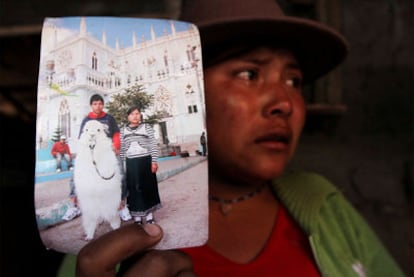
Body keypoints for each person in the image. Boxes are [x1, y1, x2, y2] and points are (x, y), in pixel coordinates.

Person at [72, 0, 404, 276]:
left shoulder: (324, 203)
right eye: (249, 74)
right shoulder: (109, 241)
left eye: (294, 81)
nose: (285, 103)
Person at [62, 94, 131, 222]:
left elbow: (116, 134)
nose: (97, 106)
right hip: (92, 152)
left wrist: (116, 145)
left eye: (100, 103)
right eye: (95, 104)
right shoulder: (86, 120)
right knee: (75, 174)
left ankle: (121, 205)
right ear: (91, 105)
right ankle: (74, 205)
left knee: (120, 171)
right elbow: (82, 138)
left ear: (103, 105)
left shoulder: (109, 118)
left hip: (108, 151)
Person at [119, 106, 161, 225]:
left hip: (145, 162)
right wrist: (122, 166)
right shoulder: (123, 130)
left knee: (147, 187)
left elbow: (153, 144)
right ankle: (137, 217)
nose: (135, 116)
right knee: (133, 189)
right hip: (131, 163)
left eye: (137, 113)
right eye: (132, 114)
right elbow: (122, 149)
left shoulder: (146, 127)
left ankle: (149, 216)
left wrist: (154, 161)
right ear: (128, 116)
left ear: (140, 115)